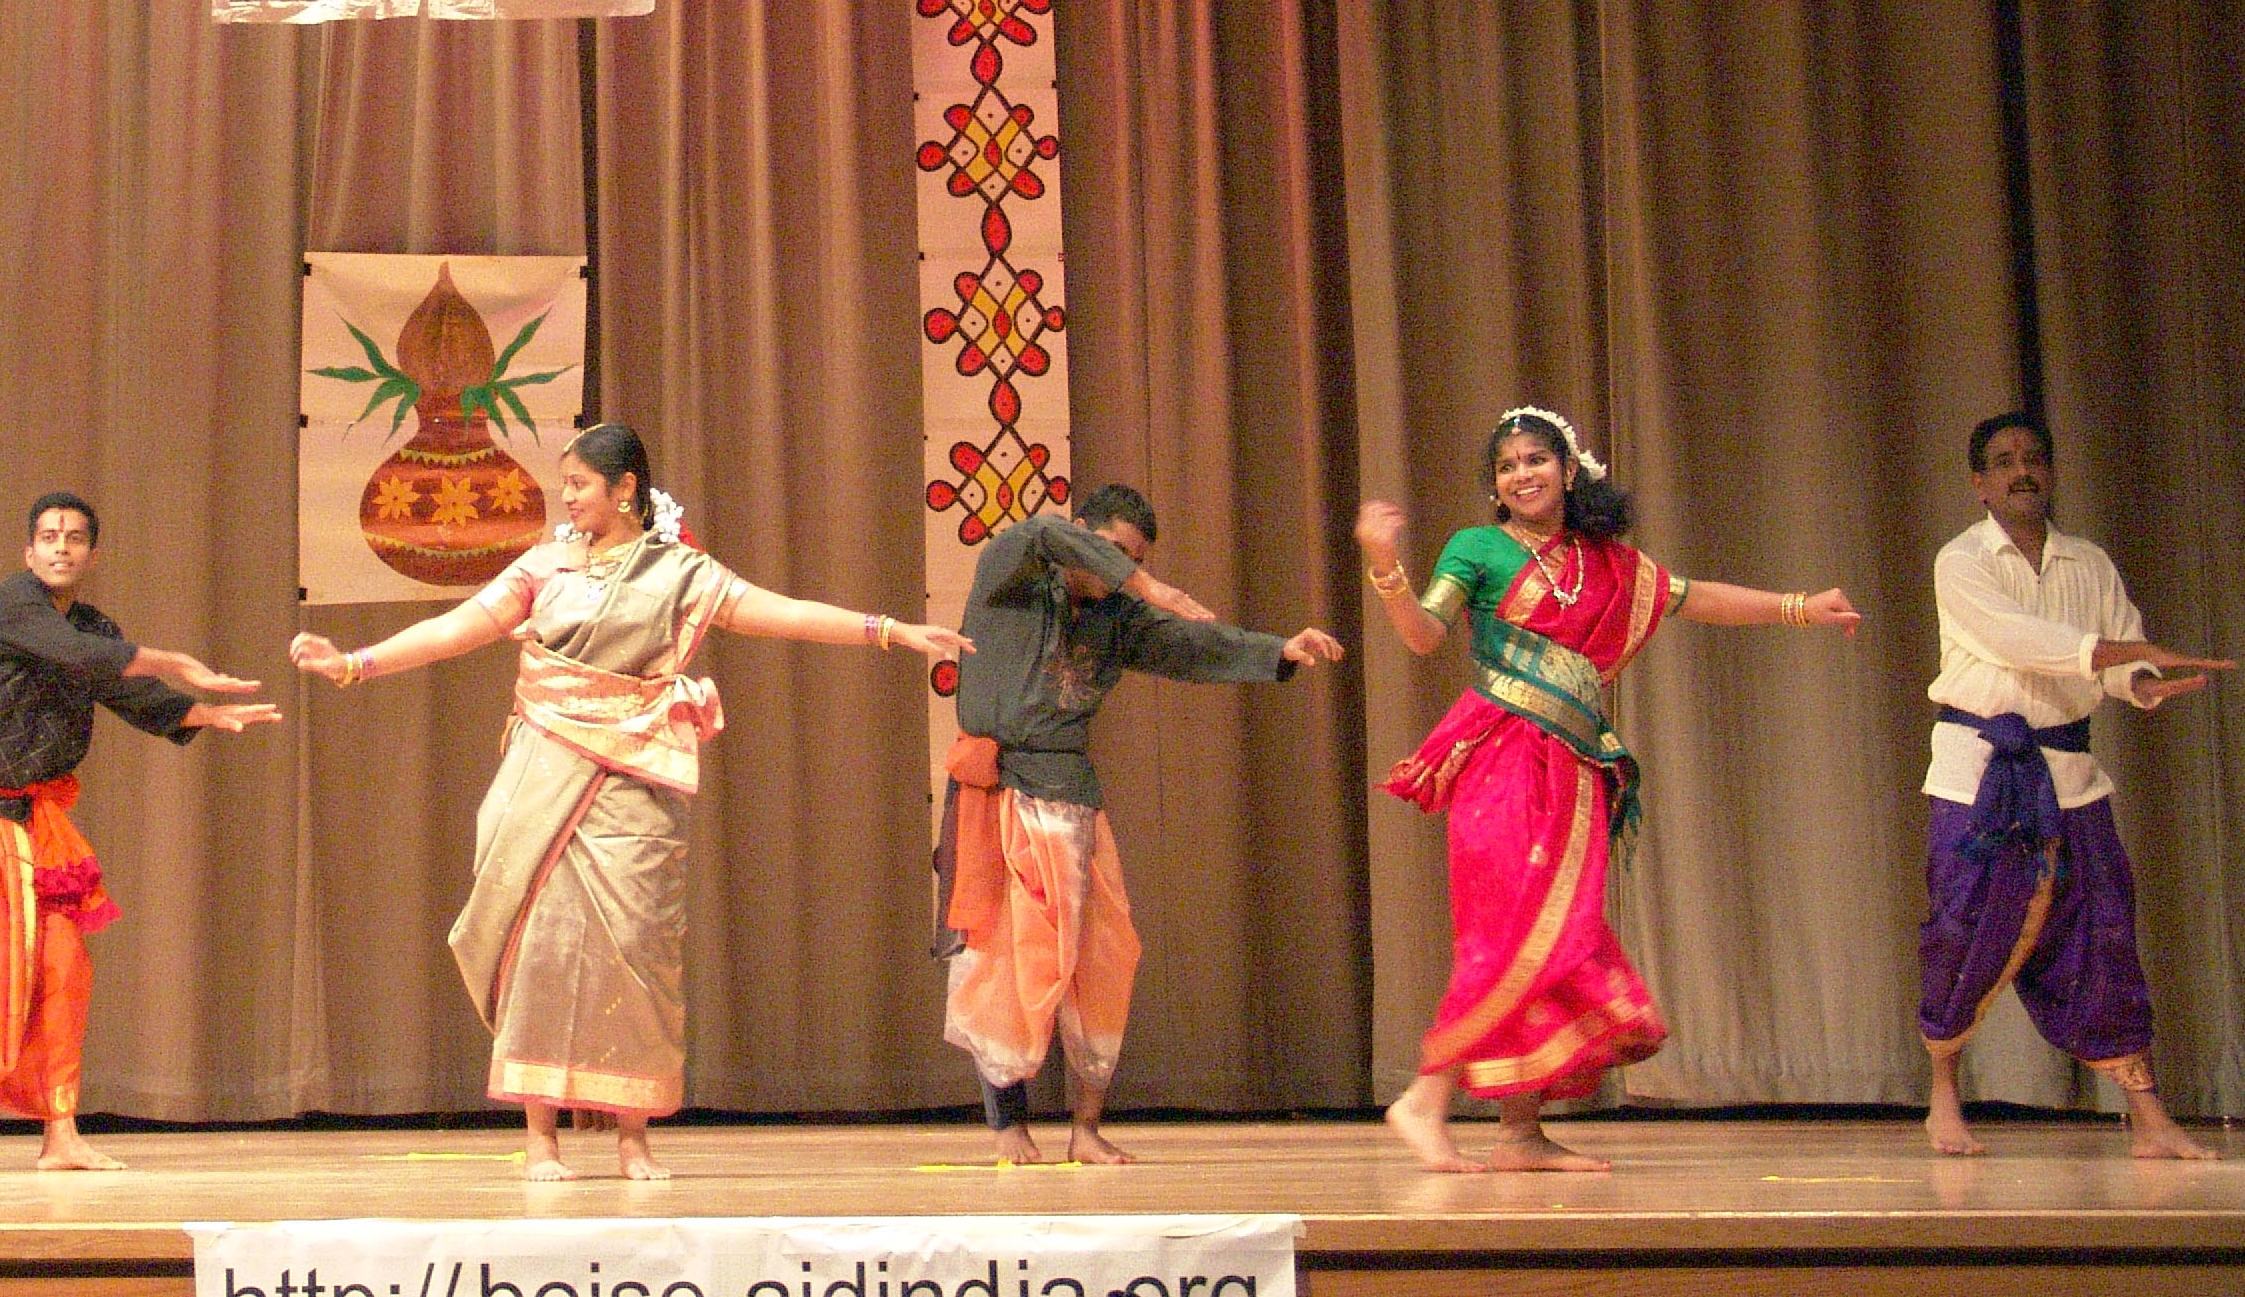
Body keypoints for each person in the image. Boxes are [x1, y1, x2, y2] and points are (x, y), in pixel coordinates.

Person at [288, 420, 973, 1182]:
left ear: (625, 489)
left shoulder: (679, 572)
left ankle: (632, 1137)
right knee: (540, 950)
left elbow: (780, 612)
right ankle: (541, 1137)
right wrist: (354, 663)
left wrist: (887, 631)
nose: (567, 497)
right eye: (566, 484)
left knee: (637, 954)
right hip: (544, 772)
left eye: (580, 484)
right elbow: (459, 628)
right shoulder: (544, 567)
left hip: (636, 787)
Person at [1356, 406, 1863, 1174]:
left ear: (1568, 470)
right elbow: (1423, 635)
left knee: (1557, 938)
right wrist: (1385, 564)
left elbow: (1696, 598)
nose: (1522, 474)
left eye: (1536, 459)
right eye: (1506, 466)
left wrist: (1799, 608)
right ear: (1495, 486)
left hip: (1573, 768)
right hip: (1500, 758)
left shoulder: (1610, 566)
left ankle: (1519, 1135)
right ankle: (1425, 1098)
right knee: (1509, 929)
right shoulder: (1477, 548)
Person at [938, 483, 1345, 1164]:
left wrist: (1279, 651)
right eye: (1113, 551)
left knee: (1098, 959)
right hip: (1001, 795)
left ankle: (1086, 1129)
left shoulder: (1117, 619)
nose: (1121, 569)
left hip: (1073, 799)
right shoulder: (1012, 576)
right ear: (1082, 534)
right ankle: (1007, 1125)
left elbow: (1192, 645)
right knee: (1006, 958)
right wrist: (1147, 584)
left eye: (1136, 559)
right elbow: (1039, 530)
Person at [0, 491, 278, 1171]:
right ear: (29, 552)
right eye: (49, 536)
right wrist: (175, 660)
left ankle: (60, 1133)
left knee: (62, 964)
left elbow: (126, 689)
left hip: (27, 817)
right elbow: (76, 655)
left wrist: (206, 715)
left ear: (92, 555)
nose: (61, 547)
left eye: (74, 538)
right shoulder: (11, 606)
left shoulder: (93, 627)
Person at [1916, 411, 2226, 1162]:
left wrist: (2141, 680)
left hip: (2070, 777)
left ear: (2050, 472)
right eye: (2003, 461)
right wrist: (2117, 654)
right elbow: (2018, 640)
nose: (2021, 470)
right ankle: (1943, 1096)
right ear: (1979, 484)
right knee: (1963, 928)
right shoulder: (1962, 560)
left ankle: (2148, 1119)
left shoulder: (2088, 563)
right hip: (1979, 776)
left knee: (2104, 933)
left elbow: (2119, 656)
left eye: (2033, 458)